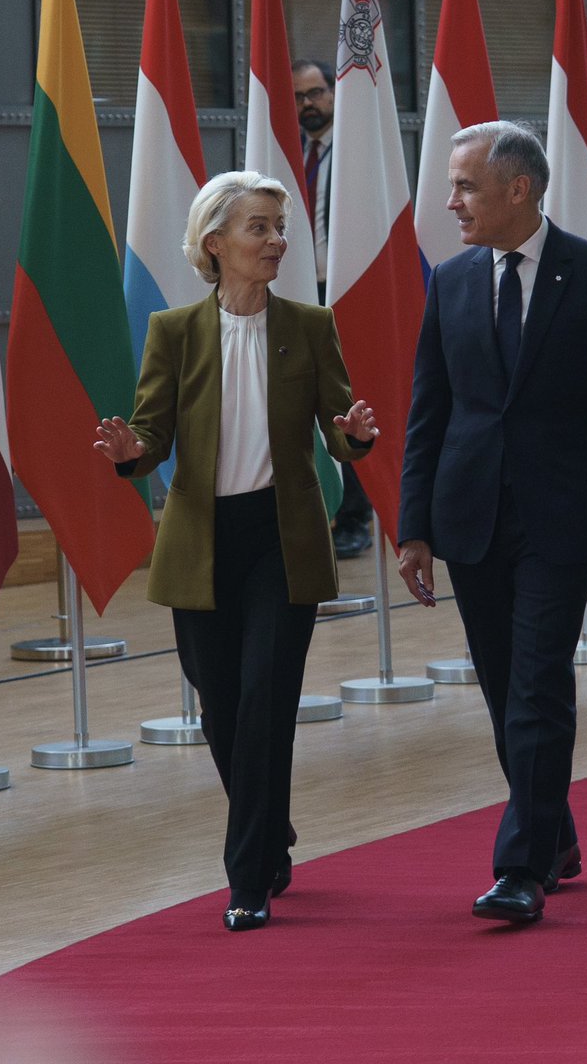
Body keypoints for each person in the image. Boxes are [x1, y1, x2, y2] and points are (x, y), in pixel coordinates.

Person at [94, 170, 378, 932]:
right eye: (260, 228)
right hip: (201, 543)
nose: (276, 241)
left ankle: (247, 878)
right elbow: (152, 434)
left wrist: (354, 436)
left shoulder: (310, 325)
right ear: (215, 243)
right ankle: (270, 827)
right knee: (221, 708)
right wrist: (131, 448)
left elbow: (338, 429)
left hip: (282, 542)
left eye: (280, 228)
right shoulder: (174, 332)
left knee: (263, 704)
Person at [397, 121, 587, 925]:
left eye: (466, 187)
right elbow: (428, 411)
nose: (451, 203)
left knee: (539, 683)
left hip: (559, 516)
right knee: (504, 684)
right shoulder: (449, 280)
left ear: (520, 190)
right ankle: (556, 833)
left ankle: (521, 867)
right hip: (468, 515)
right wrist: (413, 527)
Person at [292, 55, 374, 559]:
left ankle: (355, 515)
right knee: (309, 406)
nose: (308, 104)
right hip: (303, 293)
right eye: (299, 97)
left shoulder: (356, 152)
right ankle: (322, 507)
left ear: (334, 94)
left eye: (316, 93)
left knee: (348, 405)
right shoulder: (289, 153)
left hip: (347, 291)